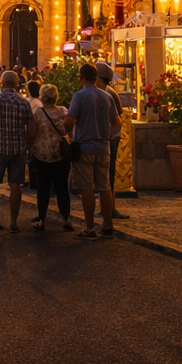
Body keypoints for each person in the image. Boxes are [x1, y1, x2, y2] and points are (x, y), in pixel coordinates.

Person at [65, 63, 121, 239]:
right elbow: (117, 122)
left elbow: (69, 122)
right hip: (103, 148)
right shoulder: (107, 97)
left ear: (80, 77)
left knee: (86, 188)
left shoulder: (79, 96)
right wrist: (108, 137)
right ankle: (107, 225)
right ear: (96, 77)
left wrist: (68, 134)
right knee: (105, 187)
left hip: (84, 148)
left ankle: (89, 228)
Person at [0, 71, 32, 232]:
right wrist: (29, 146)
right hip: (18, 149)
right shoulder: (23, 103)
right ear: (17, 84)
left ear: (2, 83)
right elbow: (31, 128)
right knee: (15, 184)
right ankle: (13, 222)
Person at [28, 83, 73, 232]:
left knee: (43, 188)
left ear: (42, 96)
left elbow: (33, 133)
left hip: (42, 154)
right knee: (62, 188)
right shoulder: (63, 111)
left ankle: (41, 219)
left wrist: (30, 148)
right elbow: (68, 130)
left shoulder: (38, 113)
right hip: (60, 155)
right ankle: (66, 219)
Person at [95, 62, 130, 221]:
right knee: (104, 175)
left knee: (108, 175)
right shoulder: (107, 92)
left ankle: (110, 209)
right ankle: (107, 208)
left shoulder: (108, 93)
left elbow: (117, 118)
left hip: (110, 138)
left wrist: (109, 136)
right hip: (107, 137)